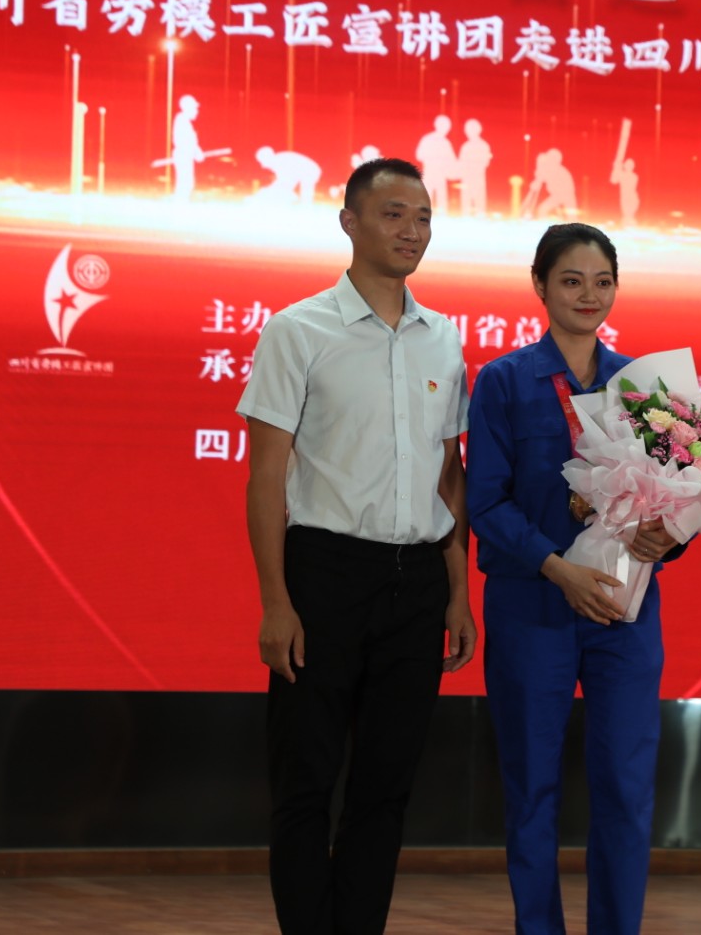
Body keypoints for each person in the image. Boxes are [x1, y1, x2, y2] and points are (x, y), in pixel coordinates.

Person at [237, 157, 477, 935]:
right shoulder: (297, 329)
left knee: (386, 787)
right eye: (393, 214)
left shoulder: (444, 339)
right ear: (350, 222)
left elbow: (449, 477)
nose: (412, 231)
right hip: (324, 576)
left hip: (417, 583)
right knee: (305, 781)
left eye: (423, 217)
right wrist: (277, 601)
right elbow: (265, 477)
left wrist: (458, 593)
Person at [466, 223, 685, 935]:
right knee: (532, 786)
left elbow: (674, 495)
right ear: (539, 286)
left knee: (625, 786)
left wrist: (667, 535)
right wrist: (557, 568)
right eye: (570, 280)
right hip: (534, 606)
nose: (588, 295)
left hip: (623, 610)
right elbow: (485, 503)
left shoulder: (642, 388)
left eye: (602, 282)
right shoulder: (503, 381)